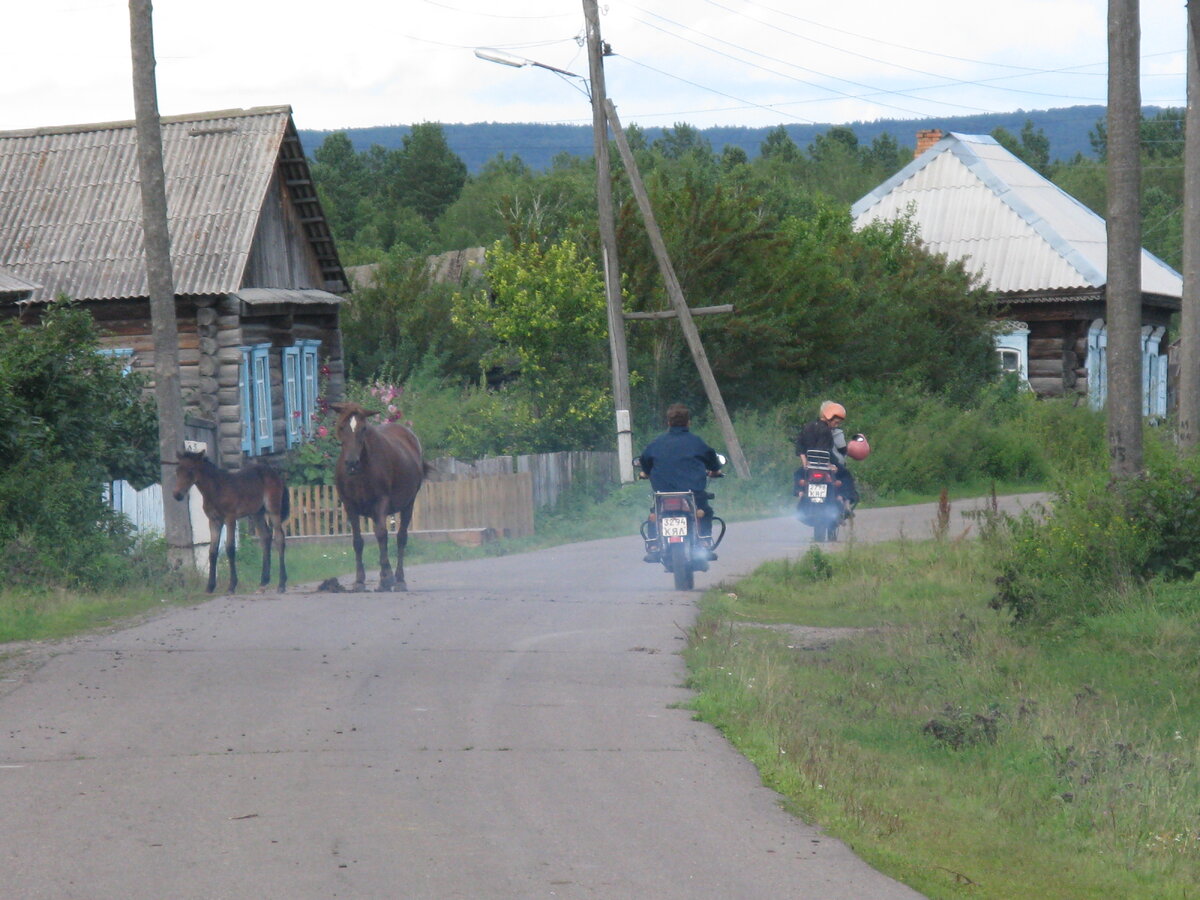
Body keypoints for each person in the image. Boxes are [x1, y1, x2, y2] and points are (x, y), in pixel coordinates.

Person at [639, 403, 723, 561]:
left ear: (668, 423)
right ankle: (704, 541)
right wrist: (716, 471)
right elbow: (712, 459)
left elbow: (645, 461)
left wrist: (645, 473)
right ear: (688, 422)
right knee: (706, 512)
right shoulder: (697, 442)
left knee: (655, 514)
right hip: (693, 494)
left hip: (663, 495)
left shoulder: (656, 443)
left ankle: (654, 545)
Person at [794, 400, 860, 515]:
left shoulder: (808, 426)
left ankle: (800, 493)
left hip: (810, 465)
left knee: (798, 474)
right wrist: (831, 465)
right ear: (828, 417)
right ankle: (845, 501)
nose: (836, 425)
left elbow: (800, 445)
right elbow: (823, 451)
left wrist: (805, 463)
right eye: (836, 422)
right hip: (823, 465)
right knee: (845, 475)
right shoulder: (826, 431)